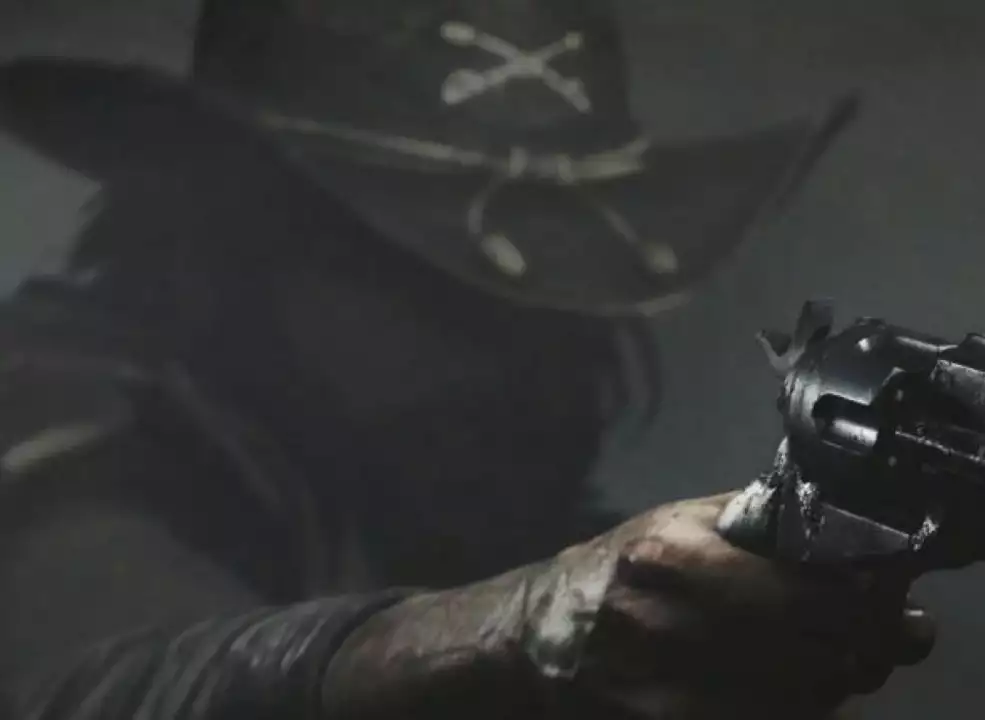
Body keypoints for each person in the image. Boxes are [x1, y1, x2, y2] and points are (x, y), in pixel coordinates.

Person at [0, 0, 932, 716]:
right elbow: (95, 684)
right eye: (422, 281)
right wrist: (516, 627)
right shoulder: (59, 409)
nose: (525, 349)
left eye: (561, 280)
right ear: (229, 250)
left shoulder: (469, 493)